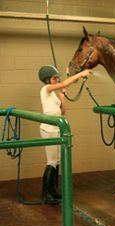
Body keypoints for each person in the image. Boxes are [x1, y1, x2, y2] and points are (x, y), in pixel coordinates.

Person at [38, 65, 92, 204]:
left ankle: (53, 191)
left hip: (56, 129)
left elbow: (63, 112)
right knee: (51, 161)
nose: (56, 79)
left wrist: (62, 96)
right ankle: (46, 194)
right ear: (47, 79)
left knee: (56, 162)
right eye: (54, 77)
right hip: (48, 129)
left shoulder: (53, 94)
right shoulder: (46, 89)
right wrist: (80, 75)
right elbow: (63, 83)